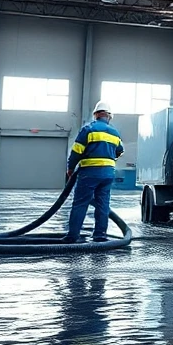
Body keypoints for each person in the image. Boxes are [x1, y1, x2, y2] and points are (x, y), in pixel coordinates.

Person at [64, 100, 125, 243]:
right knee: (103, 204)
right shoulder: (115, 133)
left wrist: (70, 168)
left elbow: (76, 151)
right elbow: (120, 151)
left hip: (89, 173)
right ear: (109, 116)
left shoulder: (89, 129)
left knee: (80, 203)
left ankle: (73, 236)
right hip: (108, 174)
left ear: (96, 114)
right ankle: (100, 235)